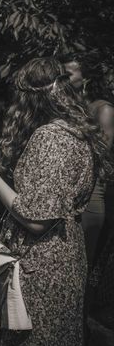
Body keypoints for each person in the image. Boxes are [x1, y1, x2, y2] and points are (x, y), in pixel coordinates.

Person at [0, 57, 113, 346]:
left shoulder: (52, 137)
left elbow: (35, 220)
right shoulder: (75, 130)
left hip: (42, 266)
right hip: (65, 257)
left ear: (32, 96)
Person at [61, 53, 114, 269]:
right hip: (67, 190)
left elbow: (98, 155)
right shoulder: (73, 107)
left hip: (90, 195)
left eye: (68, 73)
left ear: (87, 79)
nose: (62, 78)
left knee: (80, 265)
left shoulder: (104, 110)